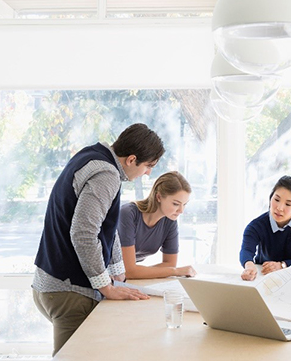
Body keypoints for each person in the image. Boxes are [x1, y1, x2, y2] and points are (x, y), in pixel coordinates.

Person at [32, 123, 164, 355]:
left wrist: (117, 272)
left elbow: (105, 228)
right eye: (148, 166)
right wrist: (106, 287)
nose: (148, 173)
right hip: (70, 292)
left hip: (52, 284)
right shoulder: (107, 175)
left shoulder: (91, 156)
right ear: (132, 159)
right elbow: (83, 232)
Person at [239, 172, 291, 281]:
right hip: (266, 279)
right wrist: (249, 266)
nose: (279, 208)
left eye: (288, 204)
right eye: (276, 200)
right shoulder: (256, 226)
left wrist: (282, 265)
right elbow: (246, 250)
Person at [118, 171, 197, 279]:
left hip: (120, 277)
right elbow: (129, 271)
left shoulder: (170, 221)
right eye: (176, 204)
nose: (181, 210)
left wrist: (138, 271)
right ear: (159, 197)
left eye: (184, 204)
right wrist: (174, 271)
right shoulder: (128, 214)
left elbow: (170, 264)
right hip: (100, 275)